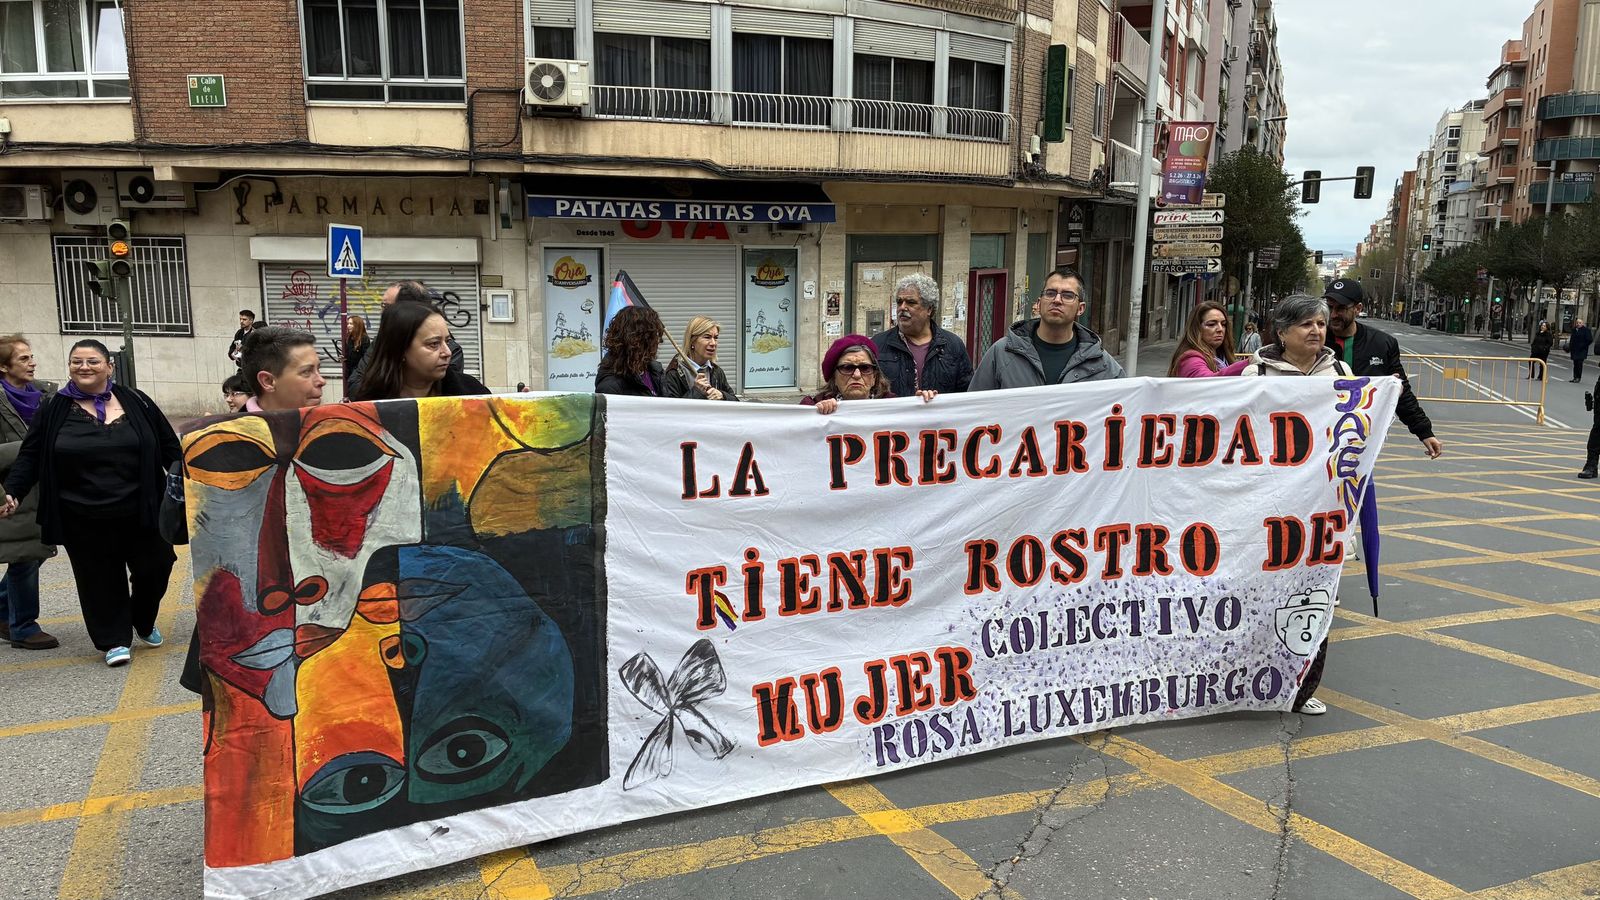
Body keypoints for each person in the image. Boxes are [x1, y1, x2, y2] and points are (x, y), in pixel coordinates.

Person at [0, 340, 181, 668]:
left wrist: (197, 479)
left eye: (93, 361)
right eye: (76, 361)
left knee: (157, 565)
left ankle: (141, 618)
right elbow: (30, 454)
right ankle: (114, 640)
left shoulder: (137, 400)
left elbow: (170, 448)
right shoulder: (53, 408)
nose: (84, 367)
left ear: (109, 367)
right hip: (80, 513)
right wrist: (13, 491)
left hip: (142, 508)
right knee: (99, 579)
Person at [175, 327, 327, 694]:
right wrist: (186, 472)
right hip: (241, 621)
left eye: (319, 369)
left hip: (326, 611)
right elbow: (173, 528)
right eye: (307, 372)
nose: (321, 381)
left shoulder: (334, 432)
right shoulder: (212, 442)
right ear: (268, 381)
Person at [1242, 295, 1354, 717]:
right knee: (1260, 597)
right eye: (1306, 324)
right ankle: (1249, 680)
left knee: (1315, 597)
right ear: (1282, 332)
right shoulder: (1256, 373)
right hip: (1267, 503)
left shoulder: (1341, 373)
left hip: (1321, 505)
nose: (1316, 330)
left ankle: (1302, 689)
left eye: (1320, 324)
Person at [1324, 279, 1443, 459]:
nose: (1333, 315)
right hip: (1320, 432)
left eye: (1340, 308)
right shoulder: (1314, 339)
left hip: (1361, 438)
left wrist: (1424, 432)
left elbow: (1400, 390)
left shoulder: (1382, 343)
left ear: (1357, 308)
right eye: (1329, 307)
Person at [970, 269, 1125, 390]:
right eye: (1050, 293)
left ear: (1081, 308)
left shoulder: (1103, 365)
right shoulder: (1002, 353)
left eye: (1068, 295)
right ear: (1039, 303)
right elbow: (975, 407)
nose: (1057, 300)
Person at [0, 335, 59, 650]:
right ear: (3, 366)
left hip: (49, 486)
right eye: (23, 358)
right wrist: (29, 448)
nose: (32, 363)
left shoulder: (46, 395)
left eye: (31, 356)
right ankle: (23, 627)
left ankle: (3, 610)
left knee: (37, 553)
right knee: (25, 556)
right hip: (14, 489)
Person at [345, 281, 465, 396]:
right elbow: (355, 386)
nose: (382, 312)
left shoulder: (453, 356)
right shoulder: (380, 343)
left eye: (386, 306)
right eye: (434, 344)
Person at [351, 302, 489, 401]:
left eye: (447, 341)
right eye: (434, 344)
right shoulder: (367, 404)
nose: (447, 352)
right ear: (400, 350)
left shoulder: (474, 395)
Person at [872, 273, 972, 397]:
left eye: (911, 302)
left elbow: (967, 393)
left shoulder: (953, 345)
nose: (902, 307)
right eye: (899, 302)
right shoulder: (878, 344)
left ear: (929, 309)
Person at [803, 335, 935, 414]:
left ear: (874, 377)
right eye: (847, 368)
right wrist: (813, 416)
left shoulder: (894, 406)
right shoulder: (814, 405)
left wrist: (922, 407)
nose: (856, 375)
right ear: (834, 378)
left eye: (865, 368)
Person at [595, 307, 669, 396]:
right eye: (653, 336)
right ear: (638, 340)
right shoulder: (610, 387)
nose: (658, 341)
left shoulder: (655, 372)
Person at [663, 316, 739, 401]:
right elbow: (672, 408)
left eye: (716, 338)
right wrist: (697, 391)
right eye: (707, 337)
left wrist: (722, 395)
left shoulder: (717, 371)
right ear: (692, 340)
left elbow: (736, 403)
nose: (713, 343)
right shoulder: (674, 373)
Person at [1168, 302, 1251, 377]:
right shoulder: (1190, 358)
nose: (1220, 329)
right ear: (1197, 329)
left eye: (1223, 324)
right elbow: (1208, 382)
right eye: (1211, 324)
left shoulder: (1222, 355)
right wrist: (1249, 363)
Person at [343, 314, 371, 383]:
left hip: (359, 372)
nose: (348, 326)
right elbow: (350, 355)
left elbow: (366, 358)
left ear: (357, 325)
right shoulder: (349, 338)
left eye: (351, 324)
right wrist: (344, 358)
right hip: (350, 371)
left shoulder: (364, 339)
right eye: (348, 323)